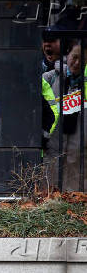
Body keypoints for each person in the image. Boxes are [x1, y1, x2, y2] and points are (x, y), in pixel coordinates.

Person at [0, 69, 58, 196]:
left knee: (28, 198)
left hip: (29, 151)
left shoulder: (38, 82)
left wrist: (40, 137)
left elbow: (52, 112)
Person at [43, 42, 87, 191]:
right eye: (74, 57)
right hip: (53, 146)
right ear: (67, 55)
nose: (77, 63)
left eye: (83, 59)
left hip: (80, 151)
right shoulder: (49, 78)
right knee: (51, 192)